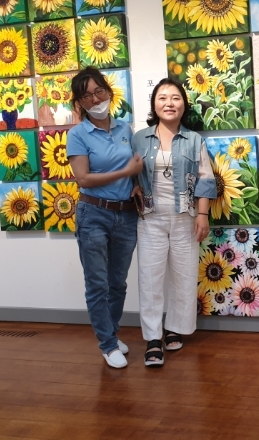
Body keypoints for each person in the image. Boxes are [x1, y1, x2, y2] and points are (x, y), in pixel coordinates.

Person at [131, 78, 217, 367]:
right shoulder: (139, 138)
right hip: (150, 219)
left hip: (186, 218)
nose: (169, 103)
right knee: (150, 279)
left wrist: (203, 215)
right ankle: (153, 338)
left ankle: (175, 328)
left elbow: (206, 179)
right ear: (154, 104)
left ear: (184, 104)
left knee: (183, 277)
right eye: (163, 97)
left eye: (175, 97)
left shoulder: (194, 140)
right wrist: (133, 186)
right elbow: (129, 172)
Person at [67, 67, 143, 369]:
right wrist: (126, 172)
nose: (95, 99)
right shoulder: (77, 134)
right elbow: (83, 179)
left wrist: (135, 183)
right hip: (93, 215)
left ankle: (111, 332)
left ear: (109, 92)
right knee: (97, 283)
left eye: (99, 91)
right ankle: (108, 344)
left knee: (118, 283)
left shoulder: (126, 129)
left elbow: (136, 168)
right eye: (86, 96)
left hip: (126, 215)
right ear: (79, 103)